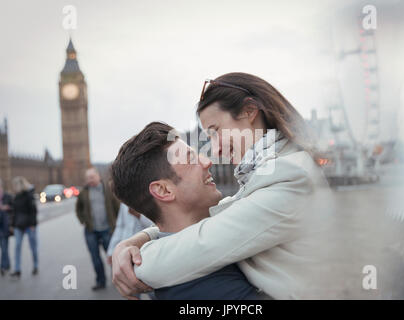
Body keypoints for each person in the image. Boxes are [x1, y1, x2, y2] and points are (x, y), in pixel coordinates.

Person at [112, 72, 336, 300]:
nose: (214, 153)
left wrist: (132, 260)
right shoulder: (274, 169)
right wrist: (139, 239)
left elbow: (204, 242)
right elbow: (226, 214)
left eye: (215, 131)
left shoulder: (289, 176)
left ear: (249, 111)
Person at [111, 122, 263, 299]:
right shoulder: (208, 288)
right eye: (191, 160)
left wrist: (135, 240)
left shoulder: (173, 266)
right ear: (164, 190)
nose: (207, 162)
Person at [75, 167, 120, 290]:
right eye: (87, 178)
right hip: (91, 231)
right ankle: (100, 281)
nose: (90, 180)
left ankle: (118, 279)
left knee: (112, 256)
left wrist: (117, 224)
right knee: (95, 258)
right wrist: (82, 220)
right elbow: (78, 208)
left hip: (107, 229)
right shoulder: (84, 192)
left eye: (92, 177)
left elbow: (118, 207)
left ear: (98, 176)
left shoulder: (108, 190)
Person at [10, 176, 38, 279]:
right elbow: (14, 212)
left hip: (29, 226)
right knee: (17, 246)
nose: (13, 188)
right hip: (18, 225)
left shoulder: (29, 196)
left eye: (15, 185)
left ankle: (35, 265)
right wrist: (12, 225)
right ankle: (17, 269)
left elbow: (33, 211)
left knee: (33, 247)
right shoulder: (16, 197)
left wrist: (32, 225)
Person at [0, 178, 13, 276]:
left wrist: (7, 207)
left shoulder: (8, 196)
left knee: (4, 248)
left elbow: (14, 208)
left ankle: (3, 267)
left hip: (5, 227)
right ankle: (7, 264)